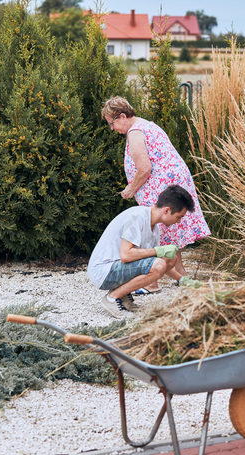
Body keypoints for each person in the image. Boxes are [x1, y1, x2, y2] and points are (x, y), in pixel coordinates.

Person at [101, 96, 211, 293]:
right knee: (169, 235)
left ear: (123, 116)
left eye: (112, 123)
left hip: (159, 187)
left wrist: (130, 189)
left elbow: (144, 168)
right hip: (171, 184)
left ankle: (151, 283)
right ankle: (182, 280)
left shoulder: (135, 132)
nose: (112, 128)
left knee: (157, 233)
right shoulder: (147, 124)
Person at [87, 185, 200, 318]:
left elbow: (160, 262)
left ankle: (122, 296)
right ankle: (112, 298)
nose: (179, 221)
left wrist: (183, 280)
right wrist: (158, 251)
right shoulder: (137, 217)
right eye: (178, 217)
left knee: (169, 258)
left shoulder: (154, 226)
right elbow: (126, 255)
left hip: (115, 268)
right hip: (103, 271)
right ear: (167, 210)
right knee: (158, 264)